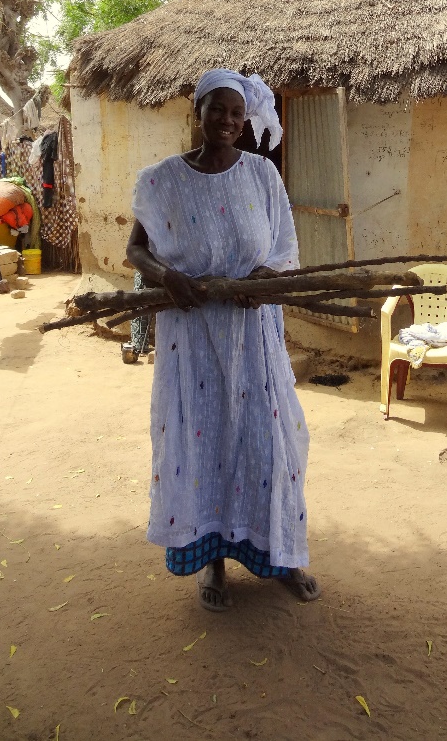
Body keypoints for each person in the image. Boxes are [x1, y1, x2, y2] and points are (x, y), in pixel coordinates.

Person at [127, 68, 320, 612]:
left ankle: (281, 557)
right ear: (198, 112)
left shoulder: (263, 175)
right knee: (203, 445)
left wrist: (267, 276)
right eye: (218, 110)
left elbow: (284, 247)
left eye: (238, 113)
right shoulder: (163, 180)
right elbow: (136, 251)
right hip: (192, 338)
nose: (229, 121)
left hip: (253, 334)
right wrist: (166, 276)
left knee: (269, 445)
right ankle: (211, 563)